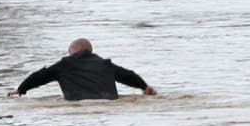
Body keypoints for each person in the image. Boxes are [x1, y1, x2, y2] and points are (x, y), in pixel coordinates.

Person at [8, 38, 157, 101]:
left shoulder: (65, 65)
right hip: (108, 102)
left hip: (80, 103)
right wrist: (144, 86)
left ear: (72, 51)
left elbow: (40, 76)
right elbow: (127, 75)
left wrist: (21, 89)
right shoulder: (105, 64)